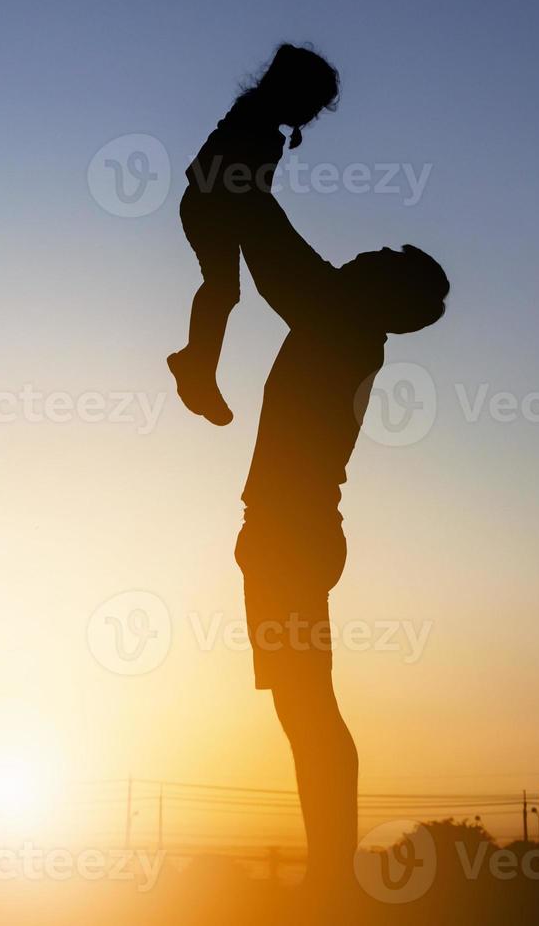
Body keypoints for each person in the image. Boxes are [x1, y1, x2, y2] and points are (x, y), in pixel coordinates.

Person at [234, 192, 449, 899]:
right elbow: (277, 256)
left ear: (386, 295)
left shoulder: (340, 318)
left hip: (289, 539)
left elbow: (273, 255)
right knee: (304, 711)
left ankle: (331, 873)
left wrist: (243, 178)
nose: (370, 251)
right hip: (287, 536)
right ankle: (328, 868)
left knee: (309, 711)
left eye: (385, 260)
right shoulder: (346, 318)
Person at [168, 44, 341, 427]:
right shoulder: (252, 117)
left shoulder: (264, 123)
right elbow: (209, 170)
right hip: (210, 206)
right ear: (291, 92)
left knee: (226, 288)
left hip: (224, 208)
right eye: (310, 106)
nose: (310, 116)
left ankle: (195, 362)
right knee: (223, 287)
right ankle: (195, 365)